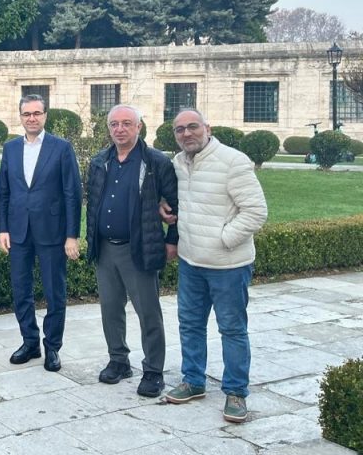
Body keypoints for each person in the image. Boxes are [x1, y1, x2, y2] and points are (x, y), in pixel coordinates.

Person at [163, 108, 267, 423]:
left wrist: (222, 240)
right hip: (191, 263)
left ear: (207, 128)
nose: (186, 134)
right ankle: (193, 380)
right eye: (179, 130)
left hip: (229, 265)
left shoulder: (233, 161)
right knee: (190, 324)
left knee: (232, 329)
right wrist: (166, 211)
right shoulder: (178, 164)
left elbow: (256, 211)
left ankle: (236, 392)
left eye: (192, 127)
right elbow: (182, 203)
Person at [85, 105, 178, 398]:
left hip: (138, 249)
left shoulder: (155, 162)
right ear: (108, 128)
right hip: (105, 250)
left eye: (127, 123)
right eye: (114, 124)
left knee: (148, 312)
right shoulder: (100, 161)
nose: (120, 129)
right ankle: (118, 360)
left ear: (139, 127)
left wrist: (171, 240)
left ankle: (153, 370)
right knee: (110, 310)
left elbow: (175, 205)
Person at [0, 94, 81, 373]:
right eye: (26, 114)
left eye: (36, 113)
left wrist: (72, 235)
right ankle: (30, 341)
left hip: (52, 231)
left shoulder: (61, 148)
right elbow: (4, 192)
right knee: (21, 290)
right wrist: (3, 228)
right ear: (20, 117)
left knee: (54, 292)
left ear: (46, 115)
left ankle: (53, 347)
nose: (31, 118)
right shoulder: (10, 149)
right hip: (18, 231)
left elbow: (72, 193)